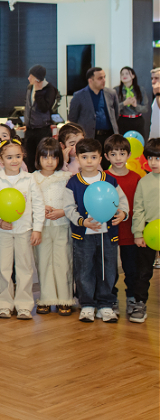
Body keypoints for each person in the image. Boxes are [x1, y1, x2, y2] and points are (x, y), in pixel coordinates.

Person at [62, 138, 128, 323]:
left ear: (101, 158)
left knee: (107, 269)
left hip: (107, 236)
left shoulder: (111, 180)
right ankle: (87, 304)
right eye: (84, 157)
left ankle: (105, 305)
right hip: (83, 236)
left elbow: (121, 202)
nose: (89, 161)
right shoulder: (73, 183)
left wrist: (123, 213)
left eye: (93, 157)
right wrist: (82, 222)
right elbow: (68, 208)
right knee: (84, 270)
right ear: (78, 158)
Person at [0, 138, 44, 320]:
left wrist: (37, 229)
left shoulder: (29, 179)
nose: (14, 160)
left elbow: (38, 205)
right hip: (3, 232)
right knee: (3, 268)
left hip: (24, 230)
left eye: (18, 156)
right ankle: (4, 304)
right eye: (9, 157)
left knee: (25, 268)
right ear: (1, 160)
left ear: (23, 156)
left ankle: (24, 305)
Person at [104, 135, 144, 322]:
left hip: (130, 232)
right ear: (106, 156)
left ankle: (132, 298)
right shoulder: (103, 177)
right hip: (109, 232)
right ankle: (110, 298)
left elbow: (139, 206)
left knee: (131, 268)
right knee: (109, 268)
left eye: (122, 153)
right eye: (113, 154)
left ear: (128, 155)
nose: (118, 158)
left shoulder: (136, 178)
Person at [32, 138, 73, 315]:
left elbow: (73, 202)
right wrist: (41, 209)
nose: (49, 161)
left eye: (54, 157)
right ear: (38, 158)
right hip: (41, 227)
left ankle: (65, 298)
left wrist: (62, 212)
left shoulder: (66, 178)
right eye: (45, 157)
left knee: (63, 261)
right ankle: (47, 298)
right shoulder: (32, 178)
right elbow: (28, 202)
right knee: (43, 262)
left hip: (62, 225)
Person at [131, 138, 160, 323]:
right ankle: (140, 303)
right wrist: (138, 233)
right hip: (148, 233)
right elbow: (138, 209)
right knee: (143, 271)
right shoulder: (144, 182)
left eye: (158, 158)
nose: (153, 163)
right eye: (150, 158)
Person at [68, 67, 119, 148]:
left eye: (104, 77)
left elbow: (116, 114)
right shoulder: (79, 96)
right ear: (90, 80)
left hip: (109, 137)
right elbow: (72, 119)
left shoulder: (111, 93)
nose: (104, 80)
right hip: (89, 137)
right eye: (100, 78)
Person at [23, 65, 59, 172]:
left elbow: (44, 108)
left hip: (42, 130)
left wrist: (39, 91)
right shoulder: (30, 87)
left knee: (42, 156)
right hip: (30, 129)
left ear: (37, 78)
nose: (29, 78)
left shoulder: (50, 89)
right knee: (30, 157)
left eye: (31, 76)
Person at [115, 67, 150, 139]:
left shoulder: (140, 90)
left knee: (139, 142)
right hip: (123, 120)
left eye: (127, 74)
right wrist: (124, 103)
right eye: (122, 74)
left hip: (137, 120)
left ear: (133, 76)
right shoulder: (116, 90)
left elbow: (145, 108)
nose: (124, 76)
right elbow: (113, 108)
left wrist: (136, 106)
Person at [150, 68, 160, 140]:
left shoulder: (157, 94)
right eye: (152, 78)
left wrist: (157, 93)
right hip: (155, 137)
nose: (153, 81)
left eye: (156, 78)